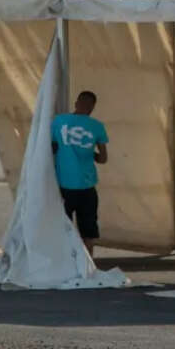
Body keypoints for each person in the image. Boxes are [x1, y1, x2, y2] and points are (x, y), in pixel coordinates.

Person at [51, 91, 109, 257]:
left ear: (76, 103)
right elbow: (103, 158)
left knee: (63, 227)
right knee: (88, 230)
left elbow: (51, 147)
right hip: (87, 185)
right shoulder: (97, 126)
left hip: (64, 185)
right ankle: (88, 263)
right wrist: (90, 154)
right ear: (92, 107)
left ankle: (66, 262)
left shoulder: (59, 121)